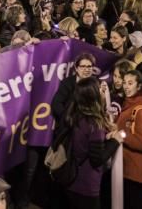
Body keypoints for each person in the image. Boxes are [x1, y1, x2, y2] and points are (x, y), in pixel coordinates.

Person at [59, 76, 124, 208]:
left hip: (71, 183)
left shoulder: (76, 115)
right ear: (93, 96)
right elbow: (97, 159)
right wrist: (115, 141)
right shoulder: (94, 124)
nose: (103, 91)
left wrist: (104, 138)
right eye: (100, 88)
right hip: (86, 186)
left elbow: (84, 143)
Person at [115, 69, 142, 209]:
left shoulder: (140, 111)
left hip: (137, 173)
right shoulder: (128, 105)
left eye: (130, 83)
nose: (126, 86)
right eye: (125, 82)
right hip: (130, 170)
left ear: (139, 86)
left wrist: (120, 135)